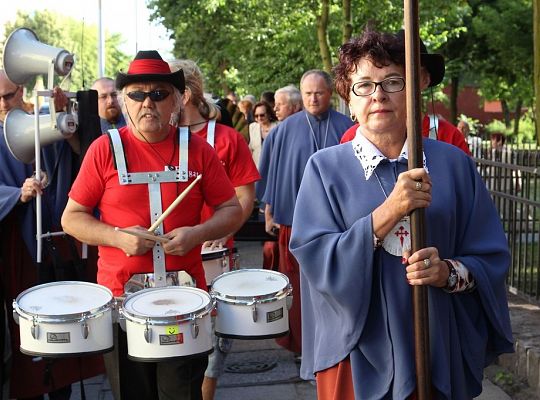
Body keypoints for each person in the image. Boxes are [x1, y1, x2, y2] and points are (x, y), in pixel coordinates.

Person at [289, 28, 513, 399]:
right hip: (357, 351)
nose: (378, 95)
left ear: (414, 88)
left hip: (436, 339)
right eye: (364, 85)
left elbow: (490, 256)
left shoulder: (453, 164)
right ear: (348, 96)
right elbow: (315, 261)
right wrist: (389, 211)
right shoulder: (324, 169)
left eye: (392, 81)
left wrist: (448, 273)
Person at [61, 50, 243, 400]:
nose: (148, 103)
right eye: (137, 94)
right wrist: (117, 237)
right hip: (120, 300)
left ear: (177, 99)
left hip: (184, 300)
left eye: (159, 94)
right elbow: (72, 218)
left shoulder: (200, 150)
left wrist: (198, 234)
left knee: (182, 393)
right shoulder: (103, 150)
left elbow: (231, 210)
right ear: (123, 101)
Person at [0, 70, 104, 399]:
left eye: (8, 95)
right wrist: (16, 194)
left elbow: (74, 157)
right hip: (14, 240)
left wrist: (64, 120)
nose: (3, 103)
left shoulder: (38, 124)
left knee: (59, 316)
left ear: (21, 92)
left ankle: (61, 387)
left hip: (51, 237)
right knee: (25, 326)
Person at [168, 58, 260, 400]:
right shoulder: (158, 139)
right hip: (170, 258)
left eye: (165, 90)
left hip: (213, 254)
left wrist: (216, 230)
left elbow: (244, 197)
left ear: (186, 95)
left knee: (213, 344)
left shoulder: (226, 139)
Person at [262, 70, 354, 357]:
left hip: (340, 223)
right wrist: (269, 210)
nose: (313, 98)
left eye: (319, 93)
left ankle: (340, 344)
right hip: (292, 220)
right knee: (297, 286)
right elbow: (272, 173)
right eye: (308, 93)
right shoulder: (283, 130)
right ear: (301, 96)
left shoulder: (348, 127)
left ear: (330, 94)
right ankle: (304, 346)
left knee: (337, 284)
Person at [338, 30, 470, 156]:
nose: (379, 94)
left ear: (425, 78)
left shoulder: (449, 137)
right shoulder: (353, 138)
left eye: (414, 72)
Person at [255, 85, 303, 271]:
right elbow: (269, 174)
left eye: (280, 105)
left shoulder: (278, 132)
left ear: (294, 106)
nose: (274, 109)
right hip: (286, 215)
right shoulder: (277, 132)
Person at [248, 100, 278, 166]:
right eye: (256, 116)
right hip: (258, 167)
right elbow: (251, 148)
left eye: (262, 115)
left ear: (269, 114)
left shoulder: (278, 126)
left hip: (274, 165)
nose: (259, 118)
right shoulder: (252, 127)